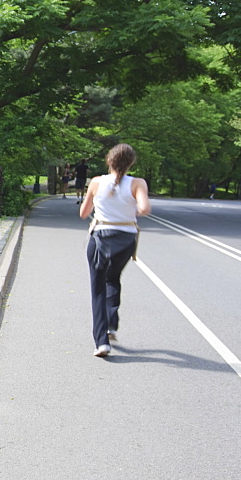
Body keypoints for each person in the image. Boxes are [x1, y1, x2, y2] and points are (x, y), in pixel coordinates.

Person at [79, 143, 151, 357]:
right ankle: (111, 323)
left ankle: (101, 342)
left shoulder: (96, 182)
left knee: (98, 287)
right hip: (126, 238)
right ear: (131, 163)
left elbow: (84, 213)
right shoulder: (137, 183)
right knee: (113, 278)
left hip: (100, 236)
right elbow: (144, 208)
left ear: (108, 161)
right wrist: (131, 208)